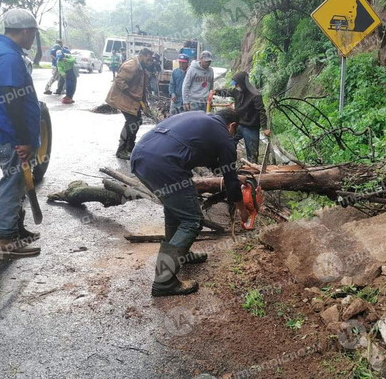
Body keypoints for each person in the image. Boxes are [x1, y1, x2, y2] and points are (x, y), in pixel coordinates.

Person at [130, 109, 250, 297]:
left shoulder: (200, 118)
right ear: (232, 126)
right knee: (192, 220)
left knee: (176, 210)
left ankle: (182, 255)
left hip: (140, 156)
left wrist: (234, 176)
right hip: (164, 164)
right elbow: (231, 183)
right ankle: (164, 281)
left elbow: (217, 165)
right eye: (235, 132)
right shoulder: (224, 136)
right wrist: (243, 209)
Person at [0, 8, 42, 257]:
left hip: (4, 129)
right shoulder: (8, 56)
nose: (33, 38)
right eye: (33, 33)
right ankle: (6, 240)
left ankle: (16, 229)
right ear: (25, 31)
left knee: (18, 182)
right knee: (13, 183)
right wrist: (24, 140)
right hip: (9, 133)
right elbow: (12, 101)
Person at [105, 48, 153, 160]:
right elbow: (119, 80)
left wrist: (145, 104)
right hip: (124, 99)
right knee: (132, 122)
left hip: (132, 100)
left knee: (137, 121)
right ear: (141, 55)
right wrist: (131, 94)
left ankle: (130, 147)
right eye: (148, 59)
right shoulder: (132, 66)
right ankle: (121, 150)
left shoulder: (141, 68)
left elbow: (141, 89)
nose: (149, 62)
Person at [215, 72, 269, 163]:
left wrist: (265, 128)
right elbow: (227, 91)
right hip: (238, 124)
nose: (235, 86)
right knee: (229, 142)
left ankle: (252, 168)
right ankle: (228, 162)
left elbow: (261, 111)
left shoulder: (255, 95)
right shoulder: (237, 91)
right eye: (234, 84)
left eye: (237, 84)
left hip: (251, 127)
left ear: (243, 83)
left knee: (252, 151)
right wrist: (215, 92)